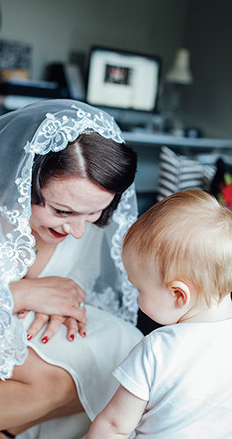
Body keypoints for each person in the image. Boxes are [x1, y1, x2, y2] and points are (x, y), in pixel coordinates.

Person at [0, 99, 143, 439]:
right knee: (55, 380)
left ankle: (9, 429)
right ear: (16, 181)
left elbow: (76, 278)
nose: (79, 231)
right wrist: (19, 294)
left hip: (23, 325)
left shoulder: (79, 204)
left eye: (94, 213)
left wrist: (58, 306)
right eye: (62, 212)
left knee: (127, 359)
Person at [86, 188, 232, 439]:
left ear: (178, 295)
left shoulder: (158, 349)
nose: (136, 296)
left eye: (139, 288)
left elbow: (114, 426)